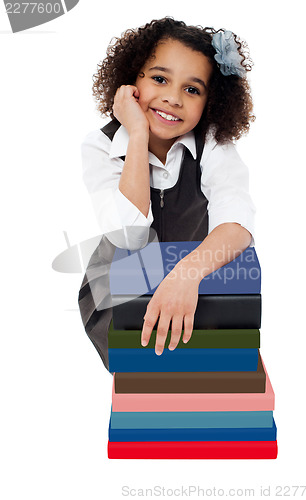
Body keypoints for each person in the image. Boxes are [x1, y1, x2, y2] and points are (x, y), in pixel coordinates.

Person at [80, 17, 256, 365]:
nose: (173, 98)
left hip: (195, 275)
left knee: (199, 372)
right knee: (147, 375)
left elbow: (238, 225)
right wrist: (137, 134)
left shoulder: (212, 146)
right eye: (160, 79)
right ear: (132, 82)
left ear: (211, 102)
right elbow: (129, 234)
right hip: (120, 288)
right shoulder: (100, 146)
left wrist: (186, 275)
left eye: (192, 89)